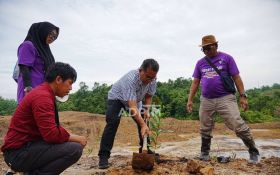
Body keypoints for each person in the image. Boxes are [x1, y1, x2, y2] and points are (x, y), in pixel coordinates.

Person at [1, 62, 87, 174]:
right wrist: (76, 138)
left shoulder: (44, 93)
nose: (70, 88)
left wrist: (69, 135)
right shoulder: (42, 98)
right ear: (58, 79)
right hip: (18, 154)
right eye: (70, 83)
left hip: (25, 149)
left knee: (68, 144)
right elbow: (51, 134)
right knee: (74, 149)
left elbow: (50, 128)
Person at [186, 35, 260, 164]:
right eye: (204, 49)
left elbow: (236, 78)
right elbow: (195, 82)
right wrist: (190, 100)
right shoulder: (200, 63)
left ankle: (253, 150)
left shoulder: (227, 58)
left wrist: (243, 96)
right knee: (205, 126)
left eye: (209, 48)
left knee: (237, 124)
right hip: (206, 100)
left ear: (216, 46)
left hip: (225, 98)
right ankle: (204, 153)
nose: (207, 51)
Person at [98, 58, 159, 169]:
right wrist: (142, 124)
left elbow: (149, 96)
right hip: (117, 98)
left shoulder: (153, 79)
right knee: (113, 122)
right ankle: (103, 156)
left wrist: (147, 110)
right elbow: (132, 107)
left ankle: (145, 150)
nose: (149, 80)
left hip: (136, 100)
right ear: (141, 70)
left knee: (145, 120)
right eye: (147, 77)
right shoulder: (131, 79)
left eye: (152, 77)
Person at [15, 21, 59, 104]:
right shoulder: (28, 45)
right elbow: (24, 68)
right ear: (43, 31)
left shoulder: (45, 51)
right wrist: (28, 88)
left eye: (55, 37)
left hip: (42, 90)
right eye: (51, 34)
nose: (52, 38)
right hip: (30, 89)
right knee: (28, 114)